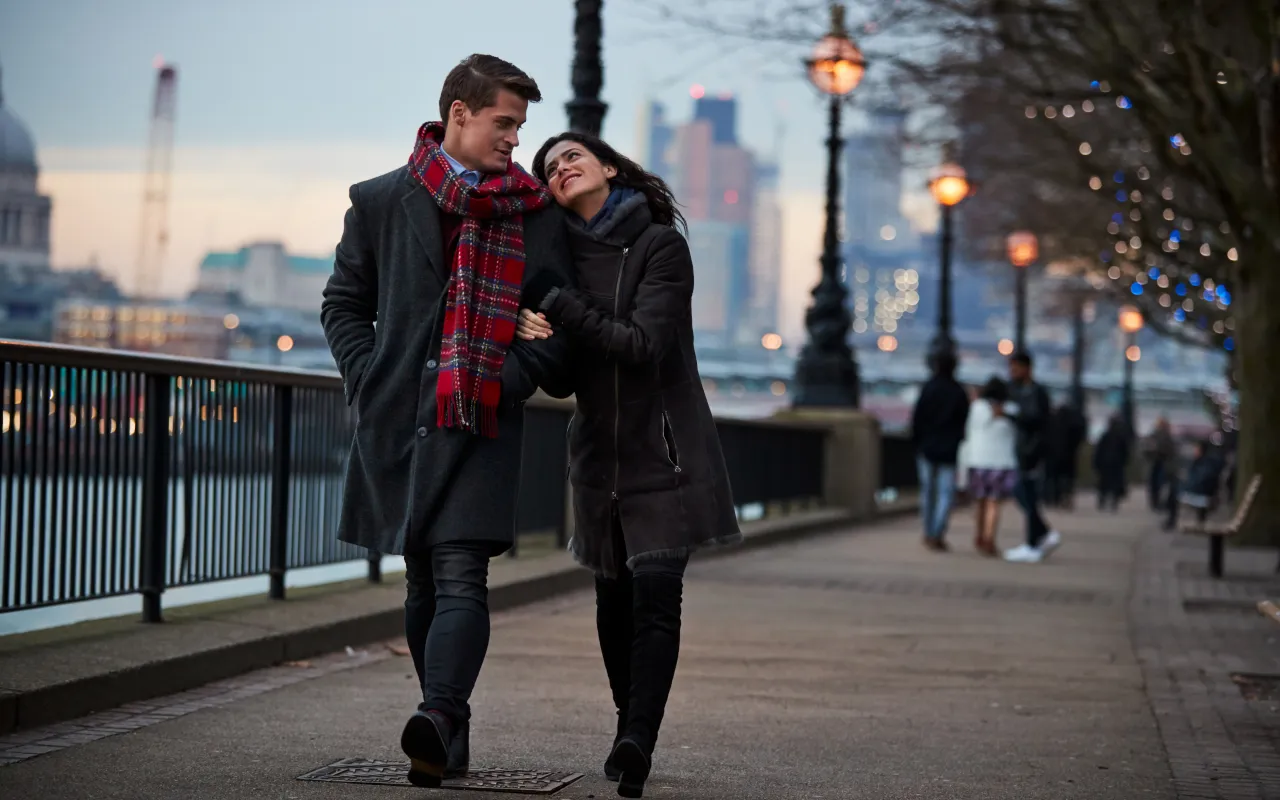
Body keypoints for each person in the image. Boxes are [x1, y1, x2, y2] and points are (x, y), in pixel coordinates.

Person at [320, 55, 575, 788]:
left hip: (480, 421)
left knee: (463, 575)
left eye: (520, 128)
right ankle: (447, 731)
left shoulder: (535, 217)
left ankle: (436, 713)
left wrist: (508, 375)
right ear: (459, 112)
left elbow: (558, 333)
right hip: (399, 419)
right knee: (423, 582)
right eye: (505, 123)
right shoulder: (378, 201)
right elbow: (343, 304)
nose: (514, 142)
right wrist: (370, 378)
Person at [517, 132, 742, 798]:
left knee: (655, 601)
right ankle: (627, 724)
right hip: (597, 456)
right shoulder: (560, 258)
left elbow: (642, 344)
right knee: (612, 602)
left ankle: (639, 737)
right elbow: (562, 383)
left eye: (572, 156)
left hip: (663, 450)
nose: (561, 168)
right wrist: (537, 335)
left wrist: (558, 307)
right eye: (550, 166)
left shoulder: (660, 247)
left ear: (608, 168)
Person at [1001, 351, 1063, 564]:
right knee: (1023, 494)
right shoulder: (1019, 391)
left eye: (1015, 367)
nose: (1012, 372)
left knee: (1026, 493)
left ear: (1027, 368)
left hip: (1032, 452)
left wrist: (1010, 414)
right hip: (1024, 450)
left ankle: (1035, 540)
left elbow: (1034, 420)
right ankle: (1039, 537)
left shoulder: (1035, 392)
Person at [909, 350, 970, 551]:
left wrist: (918, 443)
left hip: (927, 448)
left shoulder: (929, 389)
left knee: (928, 493)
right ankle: (937, 532)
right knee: (945, 493)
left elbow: (917, 419)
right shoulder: (959, 392)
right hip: (949, 450)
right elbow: (964, 423)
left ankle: (928, 531)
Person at [962, 377, 1020, 556]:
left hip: (978, 460)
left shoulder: (976, 408)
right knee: (994, 503)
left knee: (979, 502)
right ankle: (989, 538)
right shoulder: (1012, 409)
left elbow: (968, 431)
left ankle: (979, 535)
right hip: (1001, 462)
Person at [1164, 439, 1223, 530]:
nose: (1194, 451)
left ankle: (1171, 521)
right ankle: (1171, 519)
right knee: (1174, 488)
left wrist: (1184, 483)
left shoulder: (1205, 465)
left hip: (1201, 496)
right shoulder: (1203, 463)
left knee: (1174, 491)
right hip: (1200, 492)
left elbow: (1199, 482)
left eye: (1196, 449)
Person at [1093, 414, 1131, 511]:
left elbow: (1099, 451)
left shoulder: (1106, 436)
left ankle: (1103, 501)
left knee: (1104, 484)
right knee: (1114, 484)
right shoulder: (1121, 436)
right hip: (1116, 464)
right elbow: (1125, 452)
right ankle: (1113, 502)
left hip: (1106, 463)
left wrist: (1096, 463)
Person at [1144, 417, 1176, 510]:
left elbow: (1171, 450)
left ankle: (1157, 502)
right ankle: (1156, 502)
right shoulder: (1157, 436)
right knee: (1156, 484)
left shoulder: (1163, 436)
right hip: (1156, 462)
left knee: (1158, 483)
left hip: (1161, 462)